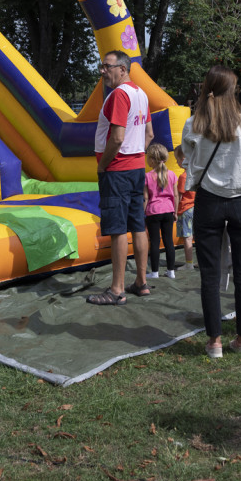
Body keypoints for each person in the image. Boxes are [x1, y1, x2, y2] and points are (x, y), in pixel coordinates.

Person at [182, 65, 241, 358]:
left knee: (210, 275)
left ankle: (215, 341)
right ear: (233, 91)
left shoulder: (193, 124)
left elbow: (190, 161)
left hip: (209, 200)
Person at [87, 50, 153, 305]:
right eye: (102, 66)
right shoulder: (141, 94)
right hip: (136, 167)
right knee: (137, 225)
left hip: (117, 170)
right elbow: (148, 134)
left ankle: (116, 289)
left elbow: (116, 137)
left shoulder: (119, 95)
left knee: (116, 229)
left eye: (107, 66)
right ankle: (141, 282)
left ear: (122, 70)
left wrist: (103, 166)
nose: (103, 71)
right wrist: (138, 158)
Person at [144, 143, 178, 279]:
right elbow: (175, 195)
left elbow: (146, 197)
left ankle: (155, 272)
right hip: (168, 210)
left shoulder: (147, 176)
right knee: (169, 240)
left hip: (153, 212)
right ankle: (171, 271)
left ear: (152, 160)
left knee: (155, 242)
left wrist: (143, 213)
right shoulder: (172, 175)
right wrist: (175, 212)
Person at [174, 145, 195, 269]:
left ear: (183, 160)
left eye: (177, 159)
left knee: (187, 237)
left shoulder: (183, 177)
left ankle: (189, 263)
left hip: (186, 209)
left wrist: (175, 211)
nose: (177, 162)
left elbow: (180, 196)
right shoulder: (195, 174)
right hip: (196, 208)